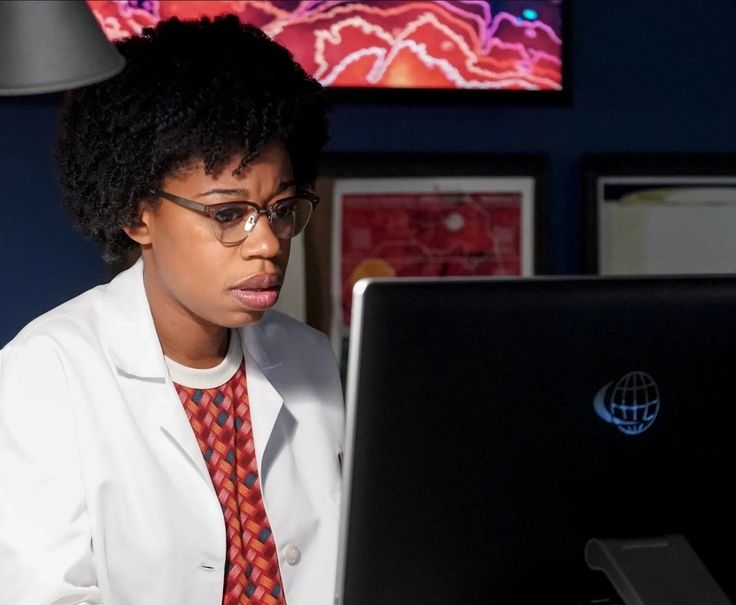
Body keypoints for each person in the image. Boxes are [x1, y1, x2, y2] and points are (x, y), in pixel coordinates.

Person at [0, 15, 344, 605]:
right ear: (138, 215)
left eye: (282, 207)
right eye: (227, 213)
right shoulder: (44, 373)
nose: (267, 243)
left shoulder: (311, 358)